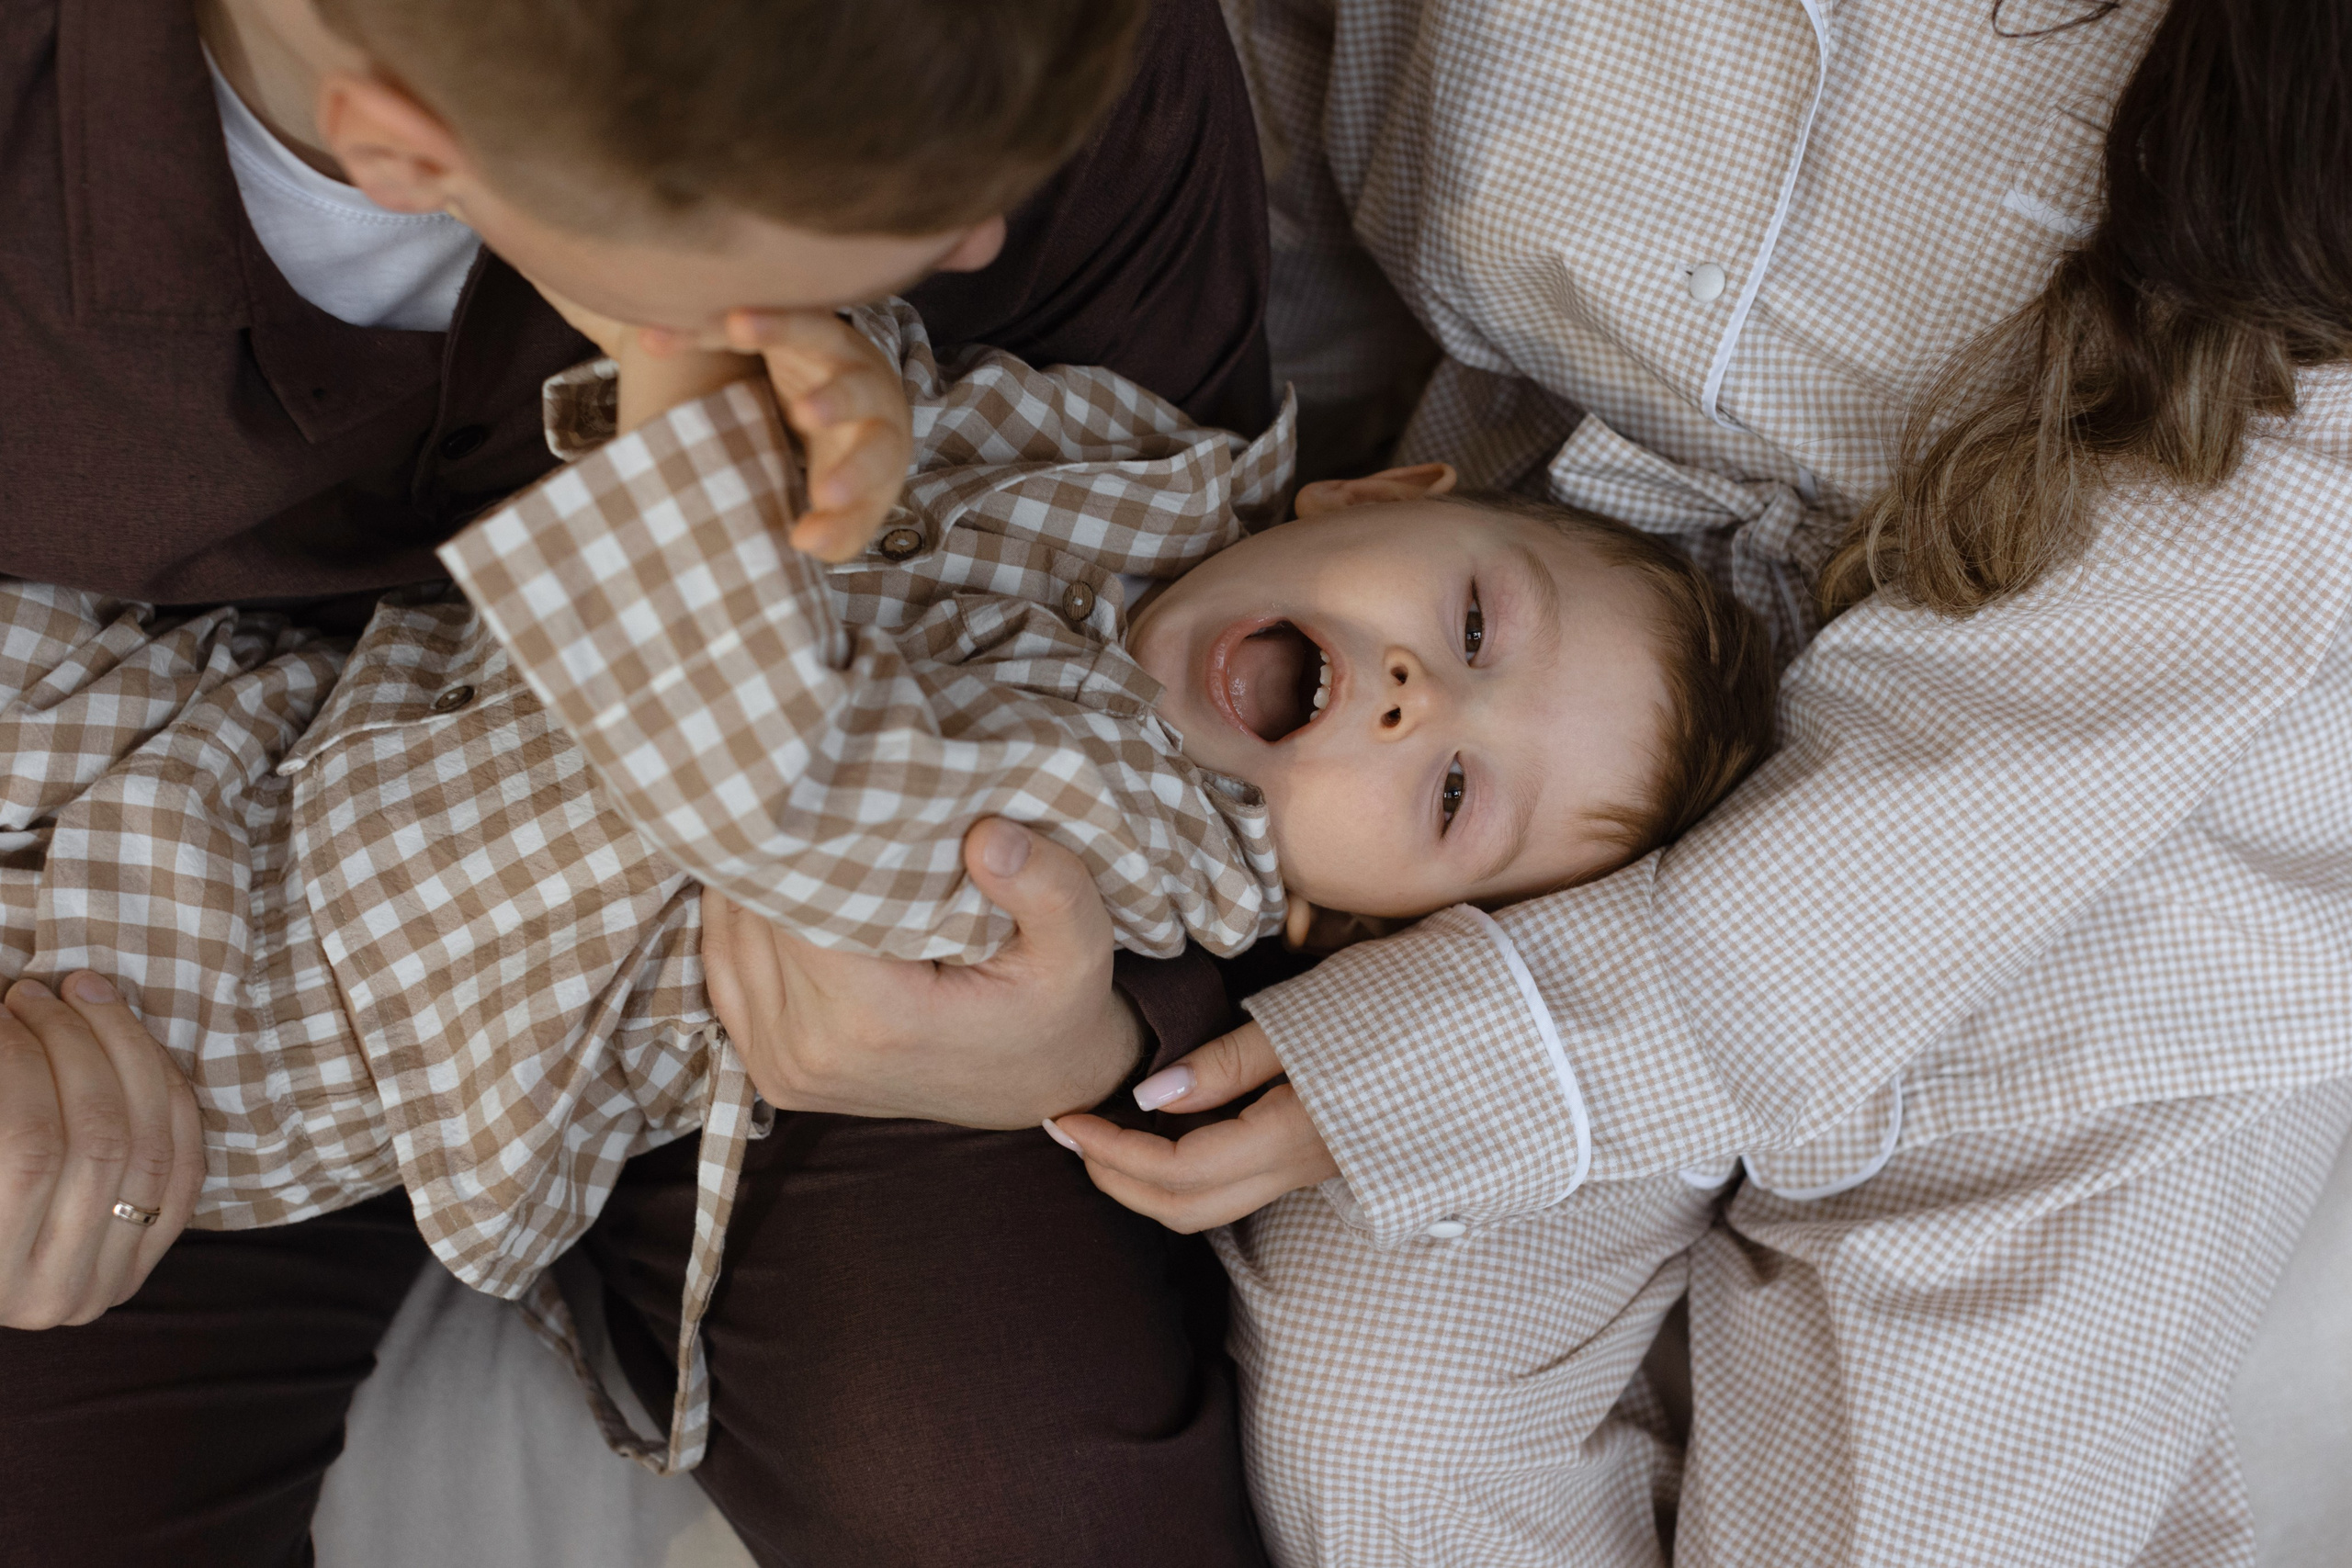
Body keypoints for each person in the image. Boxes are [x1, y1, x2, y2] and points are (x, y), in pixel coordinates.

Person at [1023, 0, 2352, 1562]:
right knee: (1379, 1440)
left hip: (2096, 866)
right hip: (1556, 664)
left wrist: (1492, 1058)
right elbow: (1276, 173)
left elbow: (2196, 605)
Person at [0, 0, 1281, 1562]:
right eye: (840, 228)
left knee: (1033, 1510)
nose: (977, 234)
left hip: (812, 955)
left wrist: (1087, 1034)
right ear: (403, 152)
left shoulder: (1034, 42)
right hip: (137, 955)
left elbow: (1204, 581)